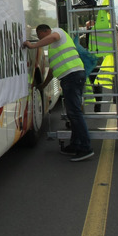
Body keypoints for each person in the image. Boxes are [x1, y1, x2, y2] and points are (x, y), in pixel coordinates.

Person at [23, 24, 94, 161]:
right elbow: (52, 71)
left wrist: (33, 45)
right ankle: (75, 145)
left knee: (75, 114)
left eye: (40, 36)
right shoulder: (53, 48)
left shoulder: (57, 32)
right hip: (70, 78)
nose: (40, 39)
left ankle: (86, 147)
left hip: (72, 77)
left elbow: (53, 36)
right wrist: (43, 85)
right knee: (72, 114)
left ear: (45, 31)